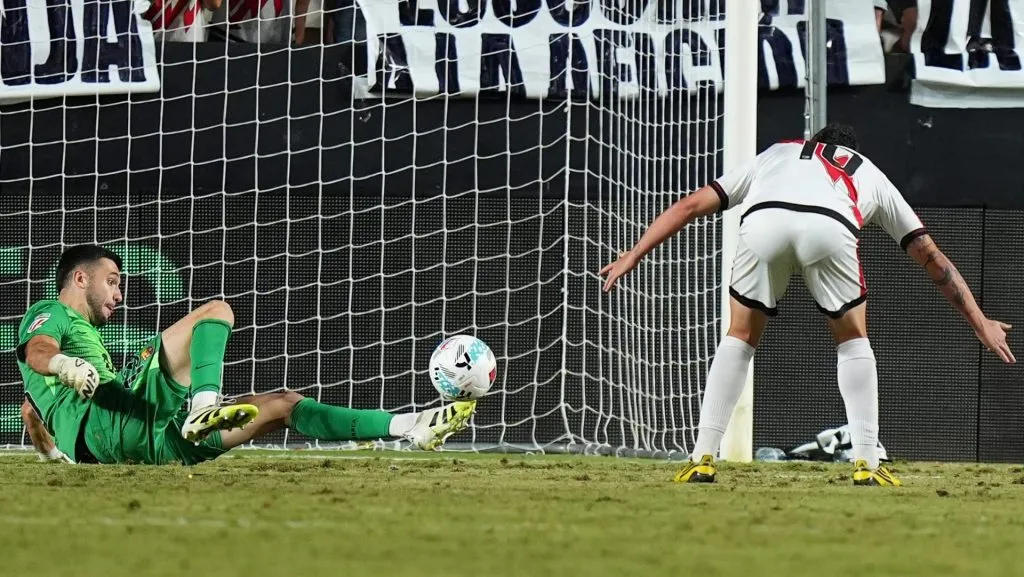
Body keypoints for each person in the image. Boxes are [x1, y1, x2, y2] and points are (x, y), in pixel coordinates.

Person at [600, 123, 1015, 487]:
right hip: (829, 226)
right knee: (853, 340)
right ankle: (867, 464)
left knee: (740, 335)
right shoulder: (867, 171)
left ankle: (702, 458)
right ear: (851, 151)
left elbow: (689, 205)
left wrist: (633, 255)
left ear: (813, 142)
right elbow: (930, 255)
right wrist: (979, 321)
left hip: (764, 221)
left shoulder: (777, 153)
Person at [17, 245, 475, 465]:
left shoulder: (74, 363)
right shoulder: (51, 313)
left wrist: (54, 456)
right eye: (113, 281)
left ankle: (410, 425)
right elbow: (38, 349)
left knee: (283, 404)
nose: (119, 294)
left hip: (145, 446)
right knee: (216, 311)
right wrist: (61, 363)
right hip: (119, 420)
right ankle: (204, 405)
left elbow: (29, 410)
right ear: (80, 279)